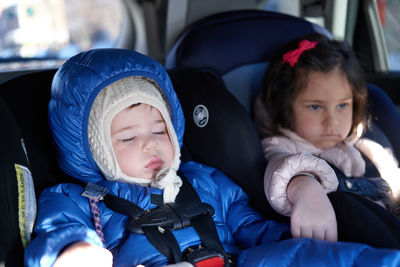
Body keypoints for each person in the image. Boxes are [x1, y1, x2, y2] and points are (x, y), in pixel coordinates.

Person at [24, 48, 400, 267]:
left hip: (235, 260)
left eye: (159, 130)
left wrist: (289, 236)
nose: (151, 145)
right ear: (94, 148)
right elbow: (58, 232)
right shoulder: (77, 198)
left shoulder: (205, 179)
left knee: (313, 256)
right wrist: (74, 251)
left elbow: (251, 227)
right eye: (127, 137)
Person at [254, 33, 400, 249]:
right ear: (285, 107)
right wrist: (305, 188)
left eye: (342, 106)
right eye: (315, 106)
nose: (332, 122)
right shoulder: (281, 145)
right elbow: (282, 166)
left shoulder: (367, 145)